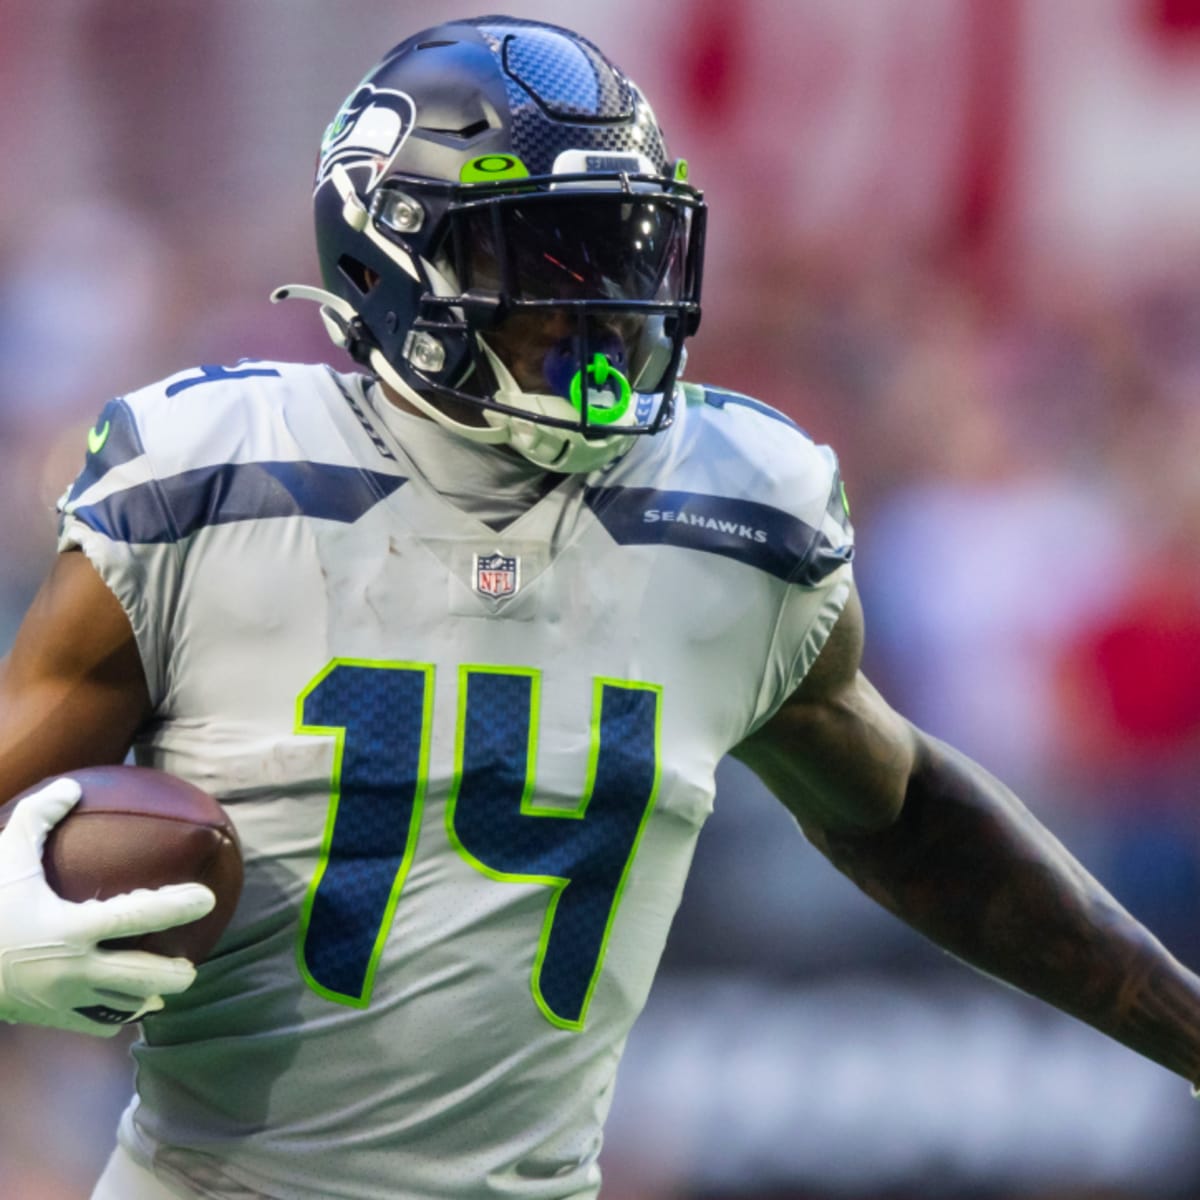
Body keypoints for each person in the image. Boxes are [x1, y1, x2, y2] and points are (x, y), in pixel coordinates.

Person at [0, 14, 1197, 1200]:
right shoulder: (206, 483)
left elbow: (906, 816)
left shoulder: (739, 511)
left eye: (626, 251)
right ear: (389, 257)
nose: (603, 309)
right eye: (544, 256)